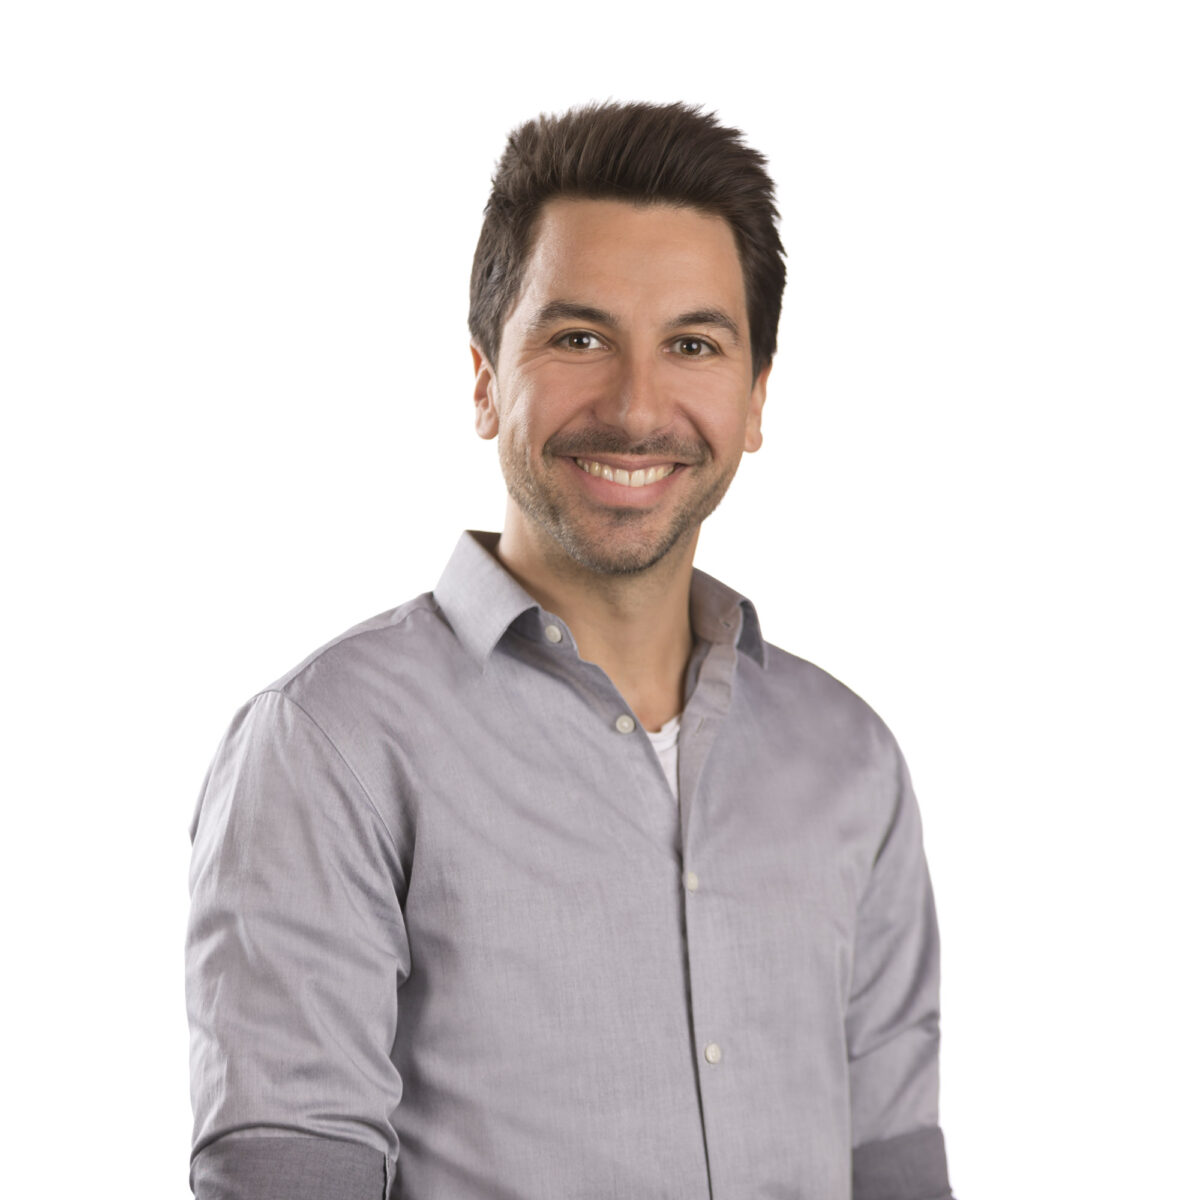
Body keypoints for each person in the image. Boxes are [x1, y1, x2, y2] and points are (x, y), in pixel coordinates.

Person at [185, 100, 956, 1200]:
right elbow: (288, 1175)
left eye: (693, 345)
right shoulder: (330, 746)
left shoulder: (851, 761)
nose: (639, 407)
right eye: (579, 338)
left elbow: (894, 1164)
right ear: (486, 378)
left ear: (755, 399)